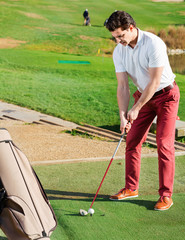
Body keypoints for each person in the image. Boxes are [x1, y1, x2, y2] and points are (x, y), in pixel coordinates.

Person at [105, 11, 180, 211]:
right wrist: (123, 114)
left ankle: (165, 195)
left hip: (166, 96)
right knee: (132, 140)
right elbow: (122, 86)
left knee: (164, 144)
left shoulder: (153, 44)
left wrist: (136, 108)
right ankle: (131, 187)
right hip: (143, 97)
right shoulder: (119, 51)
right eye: (115, 38)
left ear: (131, 28)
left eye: (120, 36)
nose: (118, 41)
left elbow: (155, 81)